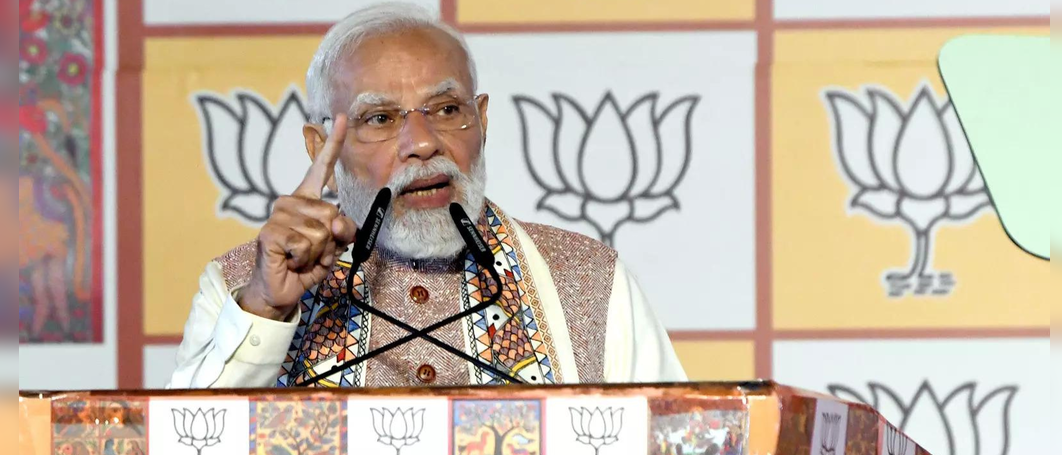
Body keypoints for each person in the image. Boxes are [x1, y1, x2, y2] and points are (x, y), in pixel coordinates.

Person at [166, 2, 685, 389]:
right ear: (321, 148)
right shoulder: (239, 287)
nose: (421, 143)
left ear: (481, 121)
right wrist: (265, 308)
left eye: (446, 110)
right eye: (380, 118)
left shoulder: (591, 280)